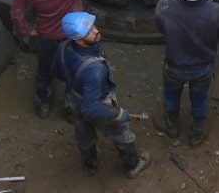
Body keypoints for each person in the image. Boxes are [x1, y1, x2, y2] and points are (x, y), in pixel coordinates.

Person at [55, 11, 151, 178]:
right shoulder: (95, 70)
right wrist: (117, 113)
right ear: (78, 39)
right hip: (97, 103)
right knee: (121, 133)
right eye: (89, 32)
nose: (95, 31)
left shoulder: (63, 48)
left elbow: (57, 72)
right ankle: (132, 165)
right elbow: (92, 108)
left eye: (93, 26)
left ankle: (91, 165)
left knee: (83, 133)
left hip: (74, 99)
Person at [155, 0, 219, 147]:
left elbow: (161, 29)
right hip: (203, 67)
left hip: (174, 66)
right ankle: (196, 134)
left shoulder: (164, 7)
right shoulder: (216, 12)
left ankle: (172, 128)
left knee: (171, 96)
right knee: (199, 99)